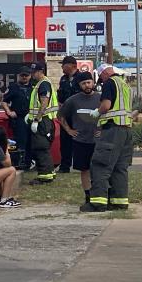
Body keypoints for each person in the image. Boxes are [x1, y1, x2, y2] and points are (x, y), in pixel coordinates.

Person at [86, 64, 134, 212]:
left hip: (112, 130)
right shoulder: (125, 85)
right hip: (126, 130)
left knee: (101, 164)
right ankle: (119, 202)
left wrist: (97, 112)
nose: (101, 80)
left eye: (101, 77)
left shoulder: (109, 83)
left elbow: (106, 105)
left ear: (105, 73)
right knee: (120, 167)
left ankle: (97, 203)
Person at [57, 71, 100, 206]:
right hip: (80, 140)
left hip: (98, 141)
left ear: (93, 82)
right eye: (83, 83)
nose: (87, 85)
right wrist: (69, 130)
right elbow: (60, 115)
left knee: (99, 169)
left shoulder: (101, 98)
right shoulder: (73, 100)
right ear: (79, 85)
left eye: (88, 82)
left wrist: (103, 131)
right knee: (84, 169)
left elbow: (109, 116)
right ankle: (88, 196)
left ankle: (100, 194)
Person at [26, 62, 58, 183]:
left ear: (41, 71)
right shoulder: (42, 83)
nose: (32, 74)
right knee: (43, 147)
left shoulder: (43, 84)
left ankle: (44, 176)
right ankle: (49, 172)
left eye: (34, 72)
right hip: (44, 120)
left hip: (42, 121)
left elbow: (44, 103)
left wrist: (36, 119)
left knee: (40, 147)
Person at [56, 56, 84, 173]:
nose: (62, 67)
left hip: (79, 115)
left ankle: (83, 165)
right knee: (65, 141)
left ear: (72, 65)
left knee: (81, 140)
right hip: (66, 115)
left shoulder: (82, 77)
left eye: (64, 65)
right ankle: (65, 166)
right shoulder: (63, 79)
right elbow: (60, 97)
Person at [3, 67, 32, 170]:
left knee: (32, 141)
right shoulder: (13, 87)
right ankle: (21, 163)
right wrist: (9, 112)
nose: (24, 77)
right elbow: (4, 101)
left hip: (32, 118)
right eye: (22, 75)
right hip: (19, 119)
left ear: (30, 76)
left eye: (26, 75)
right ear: (19, 75)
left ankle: (29, 163)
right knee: (21, 142)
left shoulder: (34, 87)